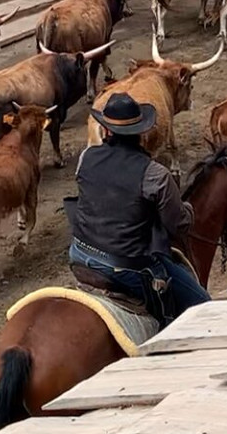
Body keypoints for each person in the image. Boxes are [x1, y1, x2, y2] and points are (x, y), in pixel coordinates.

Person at [66, 93, 211, 328]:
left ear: (107, 131)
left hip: (79, 253)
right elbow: (179, 224)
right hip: (124, 267)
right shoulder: (155, 174)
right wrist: (188, 209)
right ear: (142, 133)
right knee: (202, 305)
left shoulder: (86, 158)